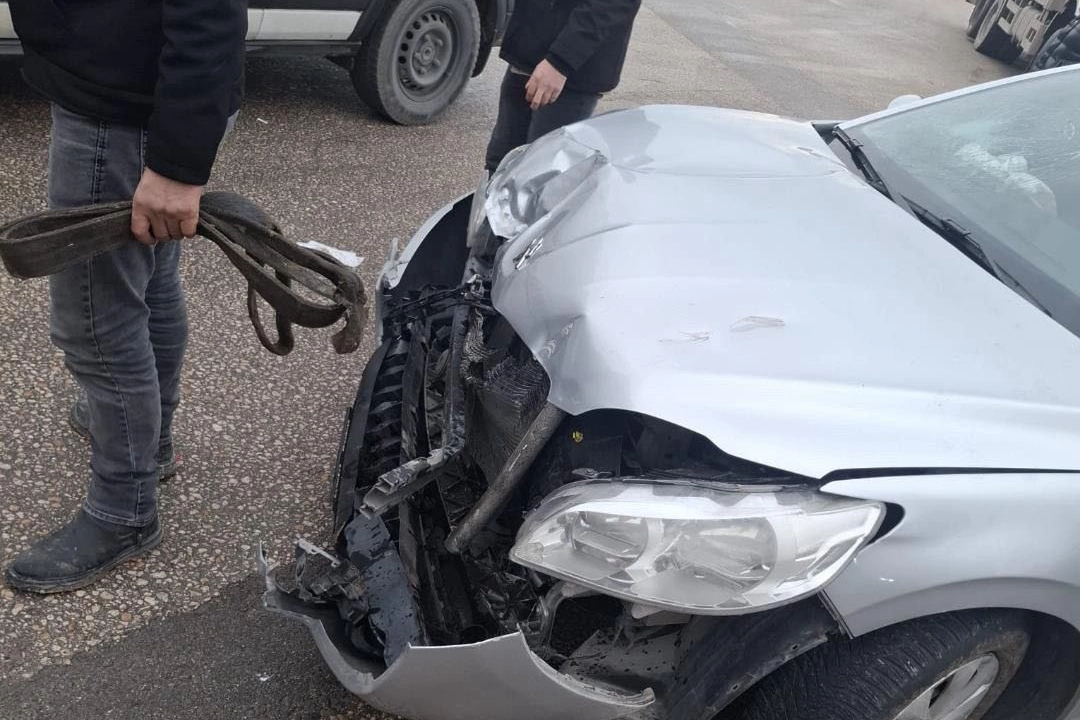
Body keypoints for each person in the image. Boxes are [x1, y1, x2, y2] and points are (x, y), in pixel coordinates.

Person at [4, 0, 247, 593]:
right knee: (151, 287)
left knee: (95, 324)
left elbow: (211, 10)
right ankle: (151, 443)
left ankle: (124, 510)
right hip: (133, 96)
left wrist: (177, 167)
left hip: (122, 114)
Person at [484, 0, 643, 173]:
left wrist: (560, 62)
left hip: (569, 73)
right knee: (500, 163)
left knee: (543, 173)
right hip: (527, 49)